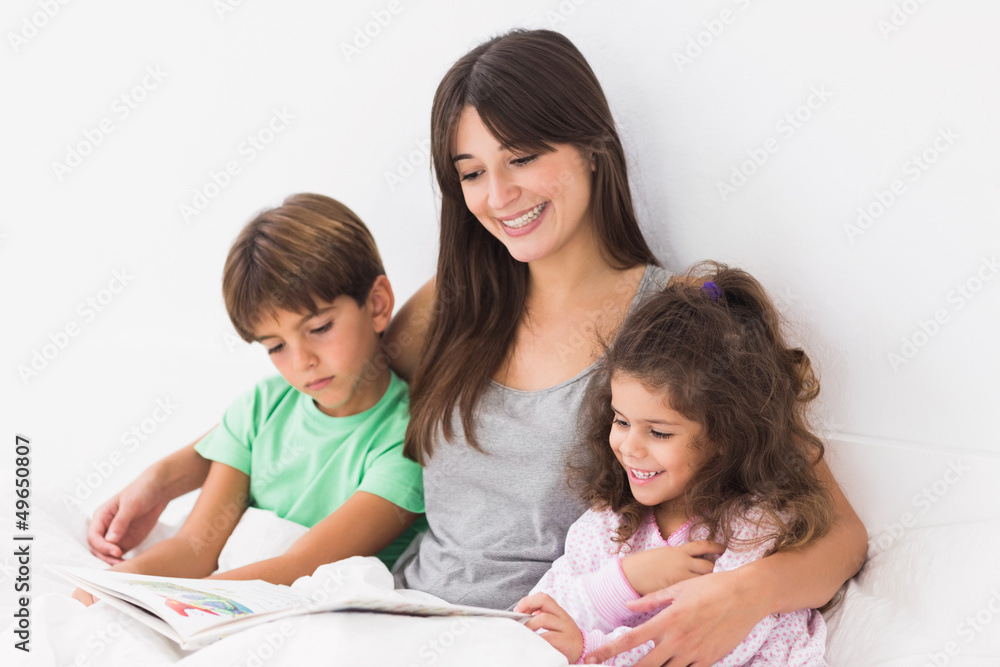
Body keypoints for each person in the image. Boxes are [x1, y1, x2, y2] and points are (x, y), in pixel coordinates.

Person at [87, 30, 867, 664]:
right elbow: (330, 379)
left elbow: (839, 532)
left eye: (523, 157)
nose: (499, 196)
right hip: (401, 617)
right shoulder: (455, 304)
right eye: (472, 172)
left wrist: (743, 594)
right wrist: (174, 471)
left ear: (592, 146)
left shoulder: (673, 322)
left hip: (536, 636)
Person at [75, 193, 426, 604]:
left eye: (319, 328)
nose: (303, 362)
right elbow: (195, 548)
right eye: (276, 346)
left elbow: (300, 566)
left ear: (377, 305)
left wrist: (179, 600)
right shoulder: (261, 408)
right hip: (229, 594)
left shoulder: (407, 441)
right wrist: (114, 586)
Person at [514, 263, 833, 665]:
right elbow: (535, 617)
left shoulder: (751, 530)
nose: (630, 447)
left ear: (724, 437)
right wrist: (622, 581)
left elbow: (704, 646)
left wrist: (590, 650)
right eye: (621, 421)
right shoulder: (609, 523)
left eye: (659, 433)